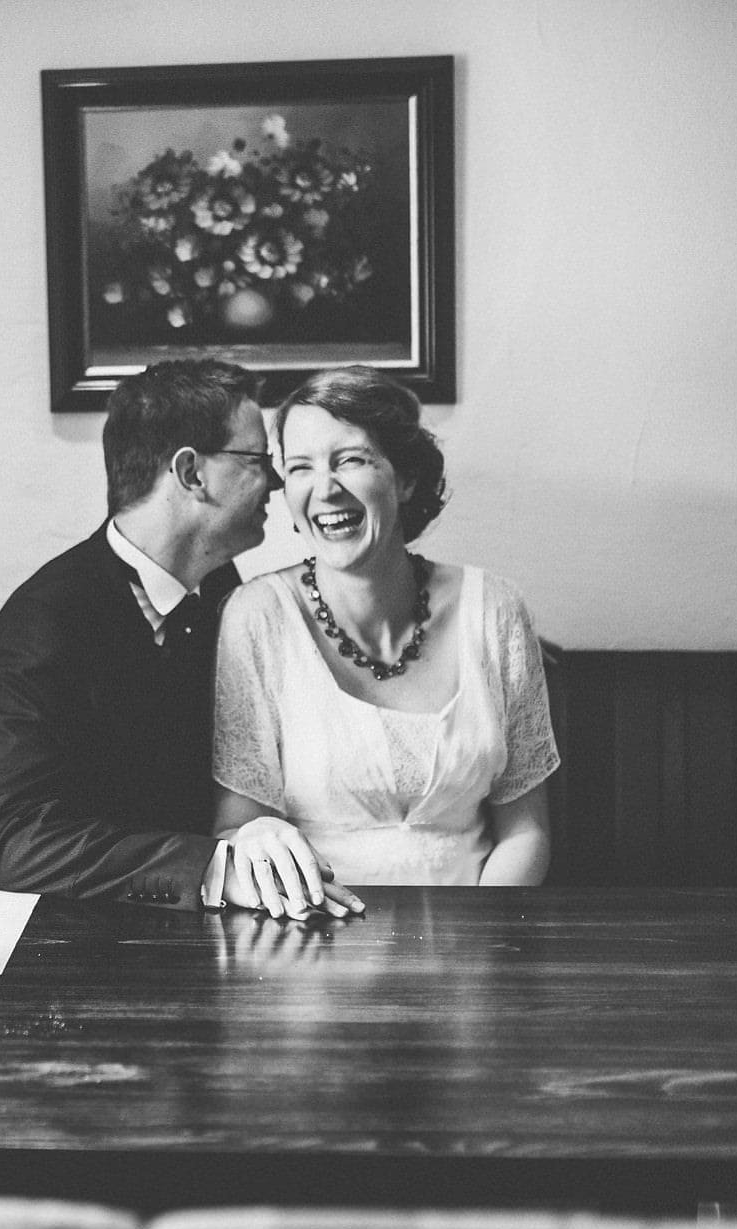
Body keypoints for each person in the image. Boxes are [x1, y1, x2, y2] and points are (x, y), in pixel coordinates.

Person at [0, 358, 359, 917]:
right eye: (257, 461)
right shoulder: (44, 622)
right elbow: (17, 844)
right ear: (191, 473)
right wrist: (212, 868)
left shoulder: (222, 587)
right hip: (60, 938)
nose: (277, 482)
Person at [212, 366, 558, 886]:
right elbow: (237, 829)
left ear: (405, 478)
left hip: (478, 935)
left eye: (350, 459)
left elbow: (526, 831)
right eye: (300, 468)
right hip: (312, 937)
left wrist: (484, 938)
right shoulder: (257, 616)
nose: (324, 490)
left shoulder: (495, 609)